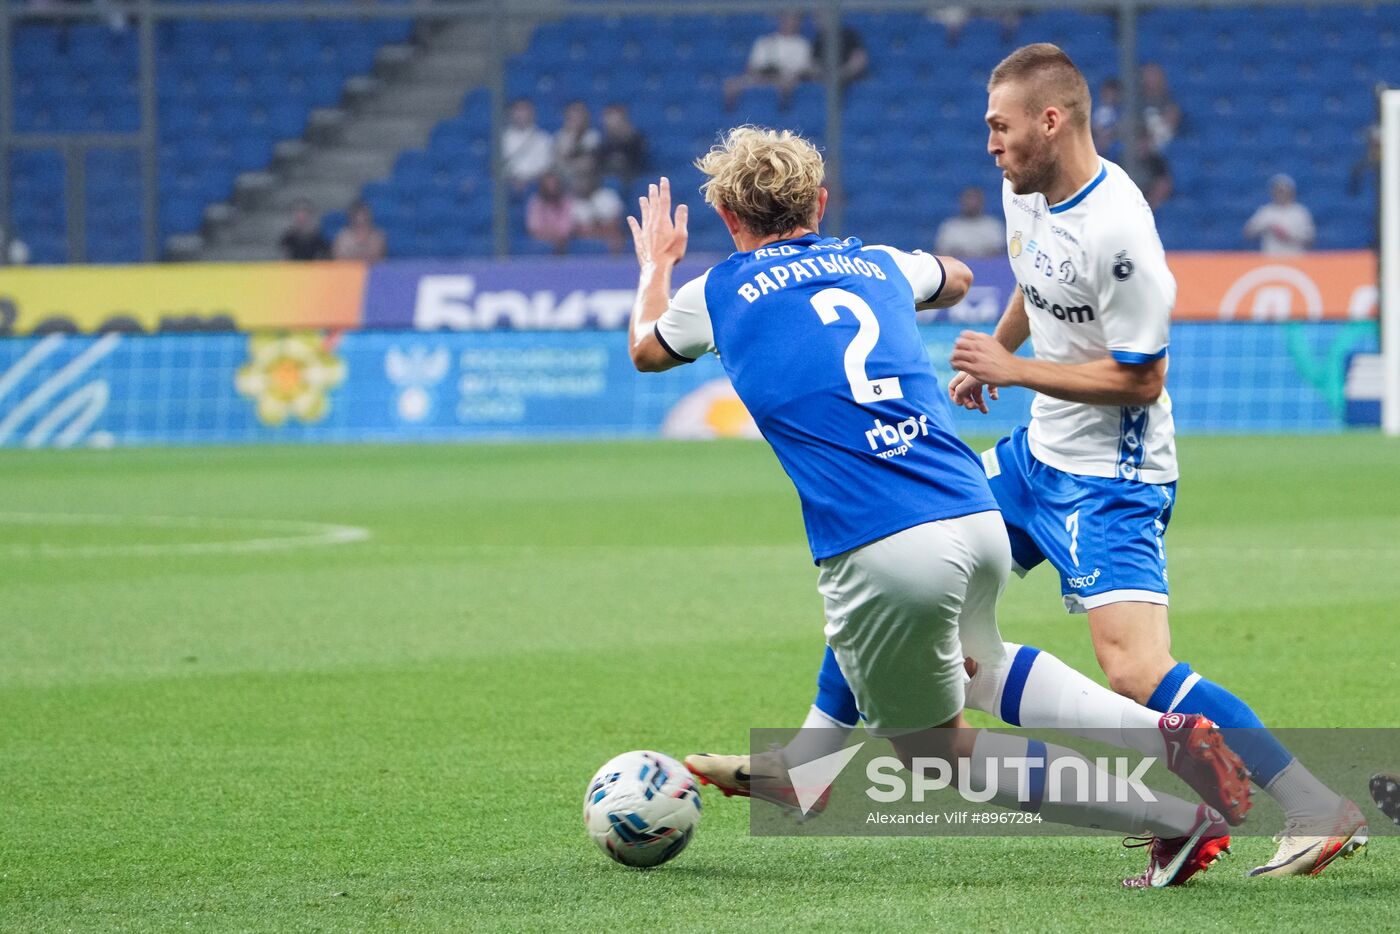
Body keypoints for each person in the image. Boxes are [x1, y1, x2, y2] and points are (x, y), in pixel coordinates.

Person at [689, 44, 1367, 881]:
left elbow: (1142, 378)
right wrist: (997, 349)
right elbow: (1032, 279)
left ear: (1051, 121)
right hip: (1036, 453)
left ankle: (1312, 803)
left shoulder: (1119, 231)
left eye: (999, 127)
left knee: (1135, 669)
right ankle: (811, 761)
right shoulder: (1029, 191)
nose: (990, 145)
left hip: (1110, 474)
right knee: (904, 529)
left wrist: (1013, 368)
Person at [627, 138, 1239, 887]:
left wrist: (656, 264)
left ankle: (1175, 820)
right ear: (820, 203)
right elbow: (957, 277)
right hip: (971, 509)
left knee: (933, 750)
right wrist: (900, 278)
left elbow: (646, 350)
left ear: (727, 216)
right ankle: (1171, 737)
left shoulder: (716, 290)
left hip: (883, 543)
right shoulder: (877, 261)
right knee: (983, 667)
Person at [723, 11, 812, 111]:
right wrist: (763, 72)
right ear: (781, 20)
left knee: (787, 83)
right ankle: (729, 115)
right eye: (786, 19)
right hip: (762, 77)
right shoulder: (765, 41)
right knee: (731, 84)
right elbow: (752, 66)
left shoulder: (802, 44)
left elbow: (802, 69)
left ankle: (784, 113)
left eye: (792, 20)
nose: (789, 23)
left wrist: (782, 72)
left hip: (785, 79)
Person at [1243, 174, 1315, 254]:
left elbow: (1310, 239)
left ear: (1291, 192)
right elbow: (1248, 233)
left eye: (1284, 191)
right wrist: (1266, 226)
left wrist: (1289, 236)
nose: (1281, 194)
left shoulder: (1300, 212)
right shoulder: (1266, 211)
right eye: (1278, 191)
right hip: (1271, 258)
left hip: (1295, 257)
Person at [934, 186, 1005, 258]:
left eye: (975, 200)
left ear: (981, 202)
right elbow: (941, 253)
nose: (972, 204)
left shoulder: (993, 226)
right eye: (968, 199)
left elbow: (1000, 252)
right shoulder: (950, 227)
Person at [501, 98, 554, 194]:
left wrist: (527, 181)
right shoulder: (503, 138)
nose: (521, 114)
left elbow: (546, 168)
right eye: (518, 110)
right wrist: (513, 180)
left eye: (524, 110)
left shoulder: (543, 139)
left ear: (532, 113)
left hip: (536, 187)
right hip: (508, 186)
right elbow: (499, 166)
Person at [597, 104, 648, 194]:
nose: (613, 124)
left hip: (631, 178)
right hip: (605, 182)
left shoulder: (636, 140)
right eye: (609, 120)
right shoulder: (602, 143)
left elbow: (640, 161)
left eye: (617, 120)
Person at [571, 171, 625, 254]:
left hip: (609, 235)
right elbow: (580, 230)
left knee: (614, 233)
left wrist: (602, 226)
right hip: (589, 241)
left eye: (587, 181)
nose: (585, 184)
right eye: (582, 181)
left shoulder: (608, 196)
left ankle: (616, 257)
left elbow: (616, 220)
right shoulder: (576, 202)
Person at [808, 19, 869, 89]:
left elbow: (860, 59)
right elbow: (813, 65)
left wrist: (843, 73)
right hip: (825, 80)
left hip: (850, 79)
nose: (820, 21)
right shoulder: (817, 40)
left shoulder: (848, 34)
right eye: (817, 18)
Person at [553, 100, 600, 189]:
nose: (577, 120)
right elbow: (562, 156)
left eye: (579, 116)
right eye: (573, 117)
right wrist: (572, 134)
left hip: (587, 176)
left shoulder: (593, 135)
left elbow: (588, 160)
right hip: (563, 176)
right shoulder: (560, 136)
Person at [525, 171, 575, 254]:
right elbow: (534, 227)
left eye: (553, 185)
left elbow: (567, 227)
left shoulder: (566, 202)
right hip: (541, 241)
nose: (551, 188)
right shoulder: (536, 202)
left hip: (562, 240)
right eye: (548, 185)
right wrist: (550, 235)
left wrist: (557, 234)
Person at [1139, 63, 1182, 152]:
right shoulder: (1134, 104)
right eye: (1148, 76)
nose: (1152, 81)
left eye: (1155, 76)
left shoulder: (1171, 104)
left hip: (1163, 147)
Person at [1091, 77, 1122, 156]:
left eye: (1113, 94)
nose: (1110, 96)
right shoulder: (1093, 107)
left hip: (1111, 141)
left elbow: (1119, 127)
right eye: (1107, 93)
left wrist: (1108, 134)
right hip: (1093, 138)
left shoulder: (1120, 111)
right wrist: (1098, 132)